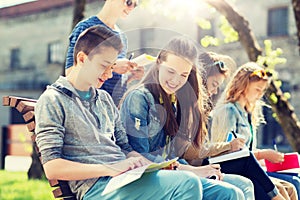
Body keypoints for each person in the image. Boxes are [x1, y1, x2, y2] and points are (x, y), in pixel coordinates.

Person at [35, 25, 204, 200]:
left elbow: (125, 148)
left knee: (226, 192)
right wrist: (110, 168)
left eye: (113, 66)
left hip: (125, 178)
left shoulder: (104, 99)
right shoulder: (53, 100)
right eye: (104, 66)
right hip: (98, 187)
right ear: (82, 58)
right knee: (187, 183)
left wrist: (150, 165)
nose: (109, 74)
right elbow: (52, 167)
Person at [120, 36, 255, 199]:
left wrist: (195, 169)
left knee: (243, 185)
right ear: (159, 63)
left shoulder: (172, 101)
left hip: (174, 172)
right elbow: (141, 158)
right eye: (171, 71)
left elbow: (172, 155)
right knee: (229, 193)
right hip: (148, 178)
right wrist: (191, 171)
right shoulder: (139, 98)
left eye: (183, 75)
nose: (176, 81)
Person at [210, 62, 298, 200]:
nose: (260, 95)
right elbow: (225, 152)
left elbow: (249, 151)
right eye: (257, 89)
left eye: (263, 91)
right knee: (282, 189)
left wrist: (268, 159)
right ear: (243, 86)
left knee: (292, 185)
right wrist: (264, 154)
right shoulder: (228, 111)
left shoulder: (248, 114)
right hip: (234, 170)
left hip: (253, 169)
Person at [65, 0, 144, 105]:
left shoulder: (122, 37)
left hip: (113, 109)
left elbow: (113, 81)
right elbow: (71, 73)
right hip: (89, 107)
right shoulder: (85, 28)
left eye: (135, 5)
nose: (131, 8)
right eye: (129, 2)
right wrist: (113, 66)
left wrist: (129, 76)